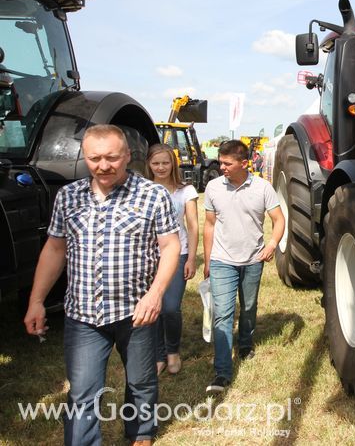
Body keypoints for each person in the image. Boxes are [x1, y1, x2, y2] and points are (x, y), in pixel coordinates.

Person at [23, 124, 180, 446]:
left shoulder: (152, 195)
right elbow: (54, 249)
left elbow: (170, 247)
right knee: (82, 391)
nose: (103, 166)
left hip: (137, 311)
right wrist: (36, 301)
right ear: (85, 157)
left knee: (141, 381)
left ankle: (141, 434)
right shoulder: (68, 197)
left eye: (111, 157)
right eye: (95, 158)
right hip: (83, 315)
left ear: (127, 156)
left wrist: (155, 294)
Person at [203, 139, 284, 393]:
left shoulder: (262, 188)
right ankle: (222, 373)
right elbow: (209, 225)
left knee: (248, 307)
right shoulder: (213, 187)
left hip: (252, 260)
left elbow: (278, 219)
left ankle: (246, 344)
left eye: (227, 163)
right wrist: (207, 260)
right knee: (223, 314)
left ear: (244, 163)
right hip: (221, 260)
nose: (222, 167)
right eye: (220, 162)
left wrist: (271, 244)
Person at [145, 143, 199, 375]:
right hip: (147, 256)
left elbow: (193, 226)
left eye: (165, 163)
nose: (161, 167)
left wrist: (192, 259)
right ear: (148, 164)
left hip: (178, 252)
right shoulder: (142, 190)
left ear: (173, 164)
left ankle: (172, 351)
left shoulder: (185, 191)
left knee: (170, 307)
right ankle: (158, 355)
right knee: (152, 306)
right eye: (156, 163)